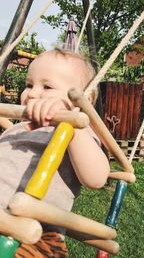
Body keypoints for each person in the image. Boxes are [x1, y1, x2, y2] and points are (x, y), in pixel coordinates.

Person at [0, 48, 110, 257]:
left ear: (81, 102)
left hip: (36, 233)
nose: (31, 93)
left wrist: (70, 124)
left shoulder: (78, 131)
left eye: (47, 87)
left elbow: (96, 178)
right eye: (29, 85)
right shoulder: (15, 128)